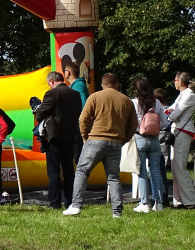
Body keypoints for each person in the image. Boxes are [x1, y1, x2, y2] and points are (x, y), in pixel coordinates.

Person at [64, 72, 138, 217]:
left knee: (82, 172)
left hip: (95, 140)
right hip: (116, 143)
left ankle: (76, 205)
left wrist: (85, 137)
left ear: (102, 84)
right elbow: (133, 125)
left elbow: (83, 119)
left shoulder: (95, 97)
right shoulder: (126, 100)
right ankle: (117, 211)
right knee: (113, 177)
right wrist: (123, 140)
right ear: (117, 84)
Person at [34, 71, 83, 210]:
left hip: (55, 137)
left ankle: (55, 202)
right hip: (71, 136)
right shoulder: (75, 94)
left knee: (54, 171)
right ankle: (70, 201)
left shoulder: (52, 93)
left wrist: (41, 107)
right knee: (69, 171)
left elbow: (39, 114)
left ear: (51, 81)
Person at [131, 77, 169, 213]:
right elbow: (165, 123)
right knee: (155, 171)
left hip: (139, 138)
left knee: (141, 172)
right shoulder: (156, 102)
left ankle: (144, 202)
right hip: (154, 140)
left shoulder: (134, 103)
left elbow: (131, 123)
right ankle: (158, 203)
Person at [165, 72, 195, 209]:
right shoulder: (182, 95)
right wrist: (168, 112)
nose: (174, 82)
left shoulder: (189, 95)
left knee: (180, 167)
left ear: (181, 81)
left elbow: (174, 114)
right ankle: (178, 200)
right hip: (177, 131)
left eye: (175, 80)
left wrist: (167, 114)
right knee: (175, 167)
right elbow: (171, 109)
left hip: (183, 132)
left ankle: (191, 200)